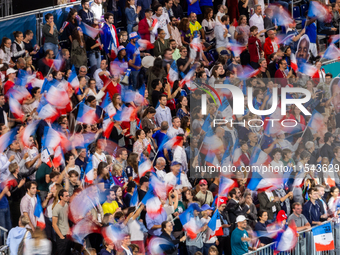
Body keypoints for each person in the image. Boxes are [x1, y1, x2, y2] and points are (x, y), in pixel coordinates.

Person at [52, 189, 71, 254]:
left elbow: (66, 219)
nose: (68, 197)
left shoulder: (66, 205)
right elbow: (54, 224)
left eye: (68, 195)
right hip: (62, 235)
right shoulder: (56, 208)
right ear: (61, 197)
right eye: (66, 196)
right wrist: (61, 236)